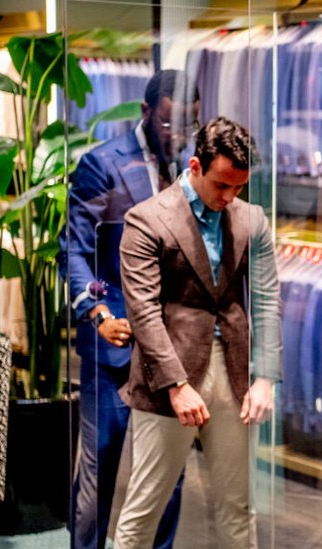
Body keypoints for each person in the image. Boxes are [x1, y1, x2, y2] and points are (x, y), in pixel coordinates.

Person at [112, 117, 281, 548]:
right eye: (221, 185)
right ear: (195, 166)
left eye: (239, 187)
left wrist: (265, 377)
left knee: (239, 508)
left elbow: (265, 299)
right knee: (145, 507)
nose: (229, 197)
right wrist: (175, 384)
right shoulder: (146, 219)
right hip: (169, 378)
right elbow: (143, 311)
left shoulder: (252, 220)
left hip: (235, 377)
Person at [59, 69, 195, 549]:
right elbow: (75, 248)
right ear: (145, 112)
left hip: (173, 346)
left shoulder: (192, 171)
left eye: (185, 126)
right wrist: (96, 314)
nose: (176, 136)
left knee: (166, 478)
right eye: (166, 124)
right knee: (100, 471)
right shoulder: (103, 163)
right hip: (114, 339)